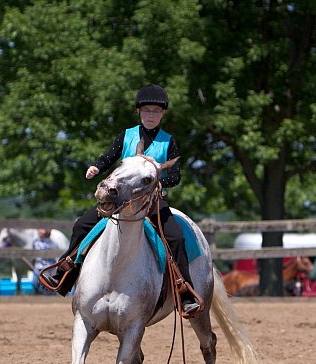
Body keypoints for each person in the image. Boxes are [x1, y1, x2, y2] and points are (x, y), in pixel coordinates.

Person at [40, 83, 201, 316]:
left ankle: (185, 292)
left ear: (162, 114)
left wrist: (159, 184)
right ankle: (65, 272)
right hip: (120, 199)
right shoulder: (127, 135)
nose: (151, 115)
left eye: (156, 111)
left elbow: (175, 175)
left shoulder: (169, 141)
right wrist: (97, 166)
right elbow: (110, 155)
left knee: (175, 238)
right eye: (147, 110)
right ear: (139, 112)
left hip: (151, 201)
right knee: (82, 224)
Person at [32, 228, 57, 295]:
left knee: (45, 285)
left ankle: (47, 300)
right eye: (39, 229)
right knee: (34, 283)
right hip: (38, 266)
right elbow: (32, 253)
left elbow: (55, 255)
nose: (40, 231)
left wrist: (53, 268)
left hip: (47, 267)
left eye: (43, 229)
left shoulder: (51, 243)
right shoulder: (35, 241)